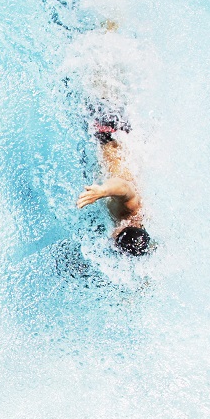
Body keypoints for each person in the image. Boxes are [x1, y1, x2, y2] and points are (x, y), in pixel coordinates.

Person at [71, 21, 154, 256]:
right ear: (119, 233)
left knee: (108, 76)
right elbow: (125, 188)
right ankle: (109, 23)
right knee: (95, 71)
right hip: (107, 132)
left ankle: (111, 30)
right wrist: (102, 191)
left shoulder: (142, 221)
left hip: (117, 135)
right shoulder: (128, 212)